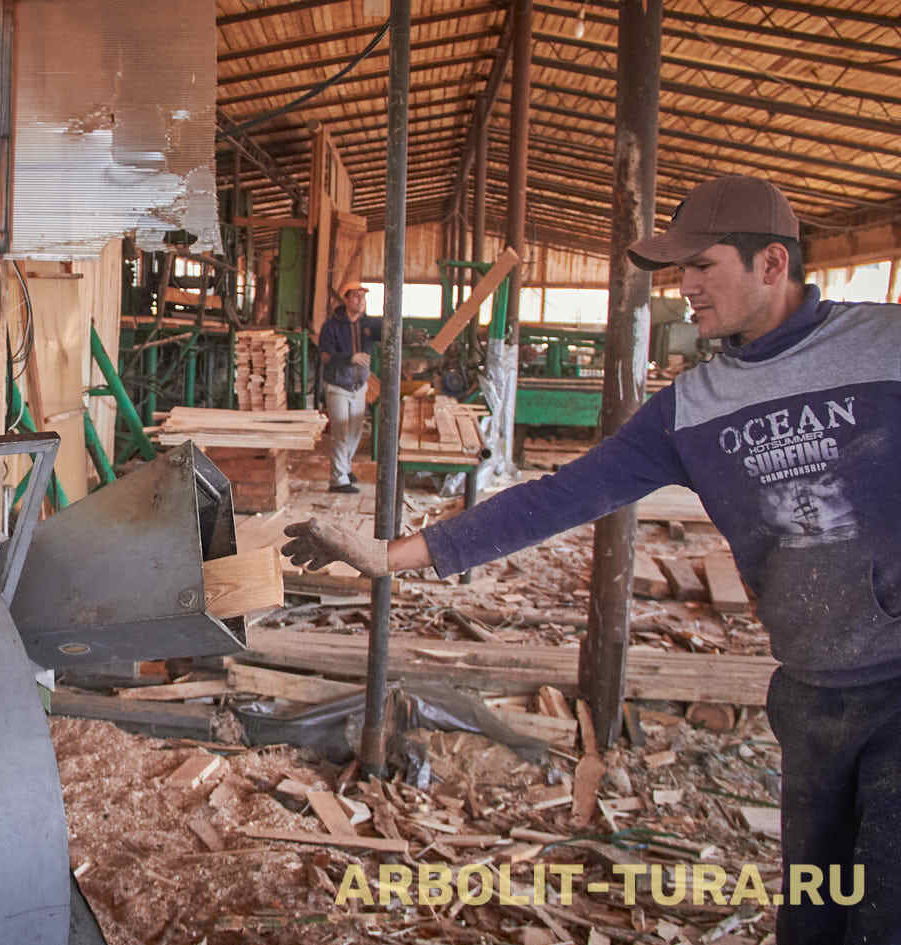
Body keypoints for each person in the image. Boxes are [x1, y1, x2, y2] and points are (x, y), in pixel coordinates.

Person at [282, 175, 901, 945]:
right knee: (816, 910)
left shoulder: (884, 347)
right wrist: (389, 555)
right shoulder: (695, 406)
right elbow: (556, 497)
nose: (687, 288)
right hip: (809, 695)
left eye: (704, 267)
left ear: (772, 264)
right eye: (681, 271)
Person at [318, 281, 380, 493]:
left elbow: (389, 331)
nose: (361, 300)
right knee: (341, 432)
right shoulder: (331, 326)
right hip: (338, 386)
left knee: (355, 432)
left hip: (359, 386)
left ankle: (344, 467)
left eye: (363, 296)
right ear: (345, 299)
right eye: (356, 296)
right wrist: (350, 358)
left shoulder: (368, 325)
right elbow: (326, 357)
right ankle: (338, 479)